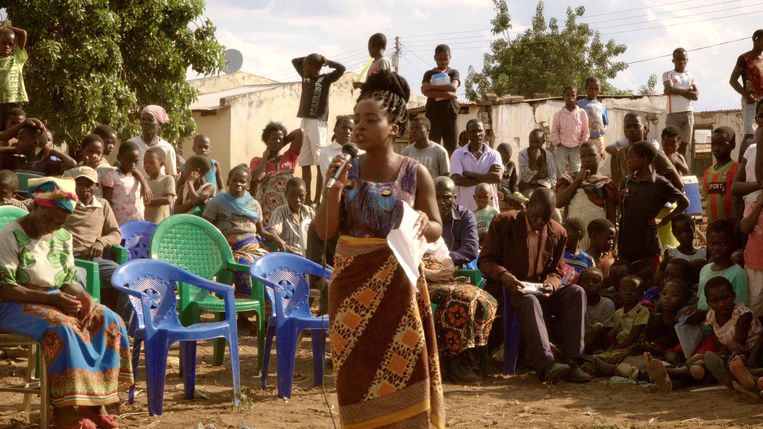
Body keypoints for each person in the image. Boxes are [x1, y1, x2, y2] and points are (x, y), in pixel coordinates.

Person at [313, 70, 445, 428]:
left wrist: (422, 221)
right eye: (357, 120)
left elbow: (436, 228)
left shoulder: (415, 173)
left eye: (371, 120)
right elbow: (324, 230)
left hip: (399, 290)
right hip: (350, 291)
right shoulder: (344, 171)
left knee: (406, 364)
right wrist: (334, 189)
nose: (359, 127)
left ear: (394, 128)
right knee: (357, 371)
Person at [0, 177, 132, 429]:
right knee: (63, 327)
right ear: (35, 207)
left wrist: (84, 296)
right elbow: (6, 287)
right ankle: (63, 410)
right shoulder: (10, 235)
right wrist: (54, 298)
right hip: (11, 303)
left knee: (107, 319)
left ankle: (95, 405)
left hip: (52, 298)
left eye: (59, 222)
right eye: (48, 219)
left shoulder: (61, 236)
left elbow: (67, 280)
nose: (52, 226)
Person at [479, 188, 592, 383]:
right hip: (507, 290)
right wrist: (505, 276)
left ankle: (574, 363)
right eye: (535, 216)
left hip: (538, 289)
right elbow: (486, 260)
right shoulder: (504, 223)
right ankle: (547, 365)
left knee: (576, 292)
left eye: (545, 218)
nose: (540, 222)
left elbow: (557, 271)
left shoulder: (558, 232)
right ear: (526, 206)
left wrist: (551, 285)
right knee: (529, 300)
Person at [648, 276, 762, 392]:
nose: (721, 304)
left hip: (747, 356)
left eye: (725, 298)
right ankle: (671, 381)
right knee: (702, 363)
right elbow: (720, 347)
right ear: (708, 302)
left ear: (733, 296)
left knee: (707, 363)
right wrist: (702, 356)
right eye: (715, 301)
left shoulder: (742, 315)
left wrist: (713, 354)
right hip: (726, 357)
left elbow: (737, 346)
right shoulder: (712, 316)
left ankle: (668, 371)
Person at [423, 237, 497, 384]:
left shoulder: (430, 231)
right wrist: (431, 275)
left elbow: (444, 256)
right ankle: (455, 359)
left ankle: (469, 355)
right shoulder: (400, 229)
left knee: (484, 298)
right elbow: (403, 263)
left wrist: (447, 269)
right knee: (461, 299)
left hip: (441, 279)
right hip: (420, 282)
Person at [62, 166, 128, 321]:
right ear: (74, 185)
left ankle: (121, 324)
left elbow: (115, 233)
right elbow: (32, 204)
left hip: (94, 259)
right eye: (80, 184)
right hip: (72, 259)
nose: (84, 189)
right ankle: (83, 326)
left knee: (127, 278)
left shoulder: (103, 205)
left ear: (96, 187)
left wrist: (102, 241)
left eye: (88, 184)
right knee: (78, 282)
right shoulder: (65, 204)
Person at [202, 165, 281, 289]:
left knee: (270, 265)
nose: (238, 184)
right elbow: (206, 228)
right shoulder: (217, 202)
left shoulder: (254, 204)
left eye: (242, 181)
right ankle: (244, 299)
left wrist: (276, 238)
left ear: (248, 185)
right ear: (228, 182)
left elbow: (261, 231)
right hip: (228, 249)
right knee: (246, 264)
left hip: (252, 246)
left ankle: (265, 302)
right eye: (234, 180)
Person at [618, 141, 688, 269]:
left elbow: (684, 203)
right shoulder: (627, 181)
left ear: (644, 158)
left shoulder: (660, 183)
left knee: (650, 281)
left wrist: (664, 220)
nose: (628, 161)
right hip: (626, 246)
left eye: (631, 157)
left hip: (648, 246)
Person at [292, 53, 346, 206]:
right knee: (305, 162)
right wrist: (311, 60)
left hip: (318, 122)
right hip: (304, 121)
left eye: (306, 66)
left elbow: (341, 69)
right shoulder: (305, 76)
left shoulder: (325, 79)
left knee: (319, 161)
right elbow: (295, 60)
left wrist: (326, 62)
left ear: (314, 68)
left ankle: (318, 199)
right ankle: (306, 198)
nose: (302, 68)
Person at [556, 140, 618, 249]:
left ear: (601, 156)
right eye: (583, 156)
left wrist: (612, 240)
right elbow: (559, 202)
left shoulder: (605, 183)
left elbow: (611, 216)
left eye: (592, 155)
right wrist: (578, 180)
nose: (587, 159)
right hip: (574, 231)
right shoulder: (570, 179)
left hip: (597, 233)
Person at [0, 120, 76, 196]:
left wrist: (51, 151)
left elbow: (72, 163)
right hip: (17, 206)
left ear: (35, 143)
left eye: (21, 139)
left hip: (35, 206)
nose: (17, 142)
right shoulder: (16, 161)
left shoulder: (48, 164)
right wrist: (15, 150)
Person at [249, 123, 302, 224]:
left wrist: (282, 143)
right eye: (273, 139)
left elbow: (300, 132)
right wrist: (265, 157)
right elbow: (257, 177)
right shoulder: (257, 161)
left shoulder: (289, 157)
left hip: (287, 206)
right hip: (267, 210)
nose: (277, 141)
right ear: (266, 141)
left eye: (280, 138)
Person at [695, 219, 748, 315]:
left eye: (722, 244)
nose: (716, 248)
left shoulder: (738, 274)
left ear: (732, 244)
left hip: (722, 327)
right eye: (712, 244)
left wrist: (702, 315)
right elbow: (701, 300)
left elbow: (739, 310)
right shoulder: (705, 269)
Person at [450, 118, 502, 212]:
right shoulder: (458, 154)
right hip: (465, 211)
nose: (477, 134)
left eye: (480, 130)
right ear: (468, 134)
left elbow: (497, 178)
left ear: (484, 132)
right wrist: (487, 177)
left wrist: (469, 174)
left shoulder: (494, 154)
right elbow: (457, 180)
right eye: (473, 131)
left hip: (489, 212)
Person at [421, 44, 460, 155]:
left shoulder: (453, 73)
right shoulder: (429, 74)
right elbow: (425, 91)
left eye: (446, 59)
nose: (443, 62)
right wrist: (449, 94)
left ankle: (450, 173)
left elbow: (453, 87)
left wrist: (432, 86)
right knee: (432, 151)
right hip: (433, 118)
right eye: (440, 59)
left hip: (451, 118)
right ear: (435, 58)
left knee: (452, 151)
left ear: (450, 58)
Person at [662, 47, 698, 162]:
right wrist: (688, 89)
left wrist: (674, 90)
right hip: (673, 114)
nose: (681, 62)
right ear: (673, 60)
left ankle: (681, 173)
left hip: (688, 113)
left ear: (687, 60)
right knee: (670, 146)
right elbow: (668, 89)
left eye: (683, 59)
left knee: (684, 146)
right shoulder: (668, 74)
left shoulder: (691, 76)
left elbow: (695, 96)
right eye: (678, 59)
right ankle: (670, 172)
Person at [435, 176, 479, 269]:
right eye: (436, 197)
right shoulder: (421, 215)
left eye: (446, 197)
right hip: (426, 269)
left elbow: (471, 247)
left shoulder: (465, 216)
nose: (440, 202)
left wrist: (445, 259)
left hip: (456, 269)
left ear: (454, 198)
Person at [729, 29, 763, 146]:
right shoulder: (744, 58)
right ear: (756, 40)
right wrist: (747, 95)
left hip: (762, 102)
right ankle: (741, 164)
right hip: (750, 101)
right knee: (749, 135)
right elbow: (733, 80)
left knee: (761, 133)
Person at [702, 126, 741, 224]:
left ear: (733, 146)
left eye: (721, 144)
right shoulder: (708, 172)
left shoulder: (738, 169)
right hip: (713, 227)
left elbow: (742, 201)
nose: (716, 148)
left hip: (732, 227)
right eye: (713, 145)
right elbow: (707, 197)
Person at [267, 177, 315, 255]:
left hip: (309, 255)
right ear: (286, 195)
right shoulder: (280, 213)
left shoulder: (309, 211)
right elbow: (272, 232)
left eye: (301, 196)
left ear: (306, 195)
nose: (297, 200)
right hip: (289, 256)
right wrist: (278, 240)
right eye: (293, 196)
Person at [128, 104, 177, 177]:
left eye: (150, 120)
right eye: (143, 119)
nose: (145, 122)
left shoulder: (167, 148)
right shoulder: (131, 144)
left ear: (159, 124)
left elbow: (172, 175)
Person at [101, 141, 144, 225]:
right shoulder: (111, 177)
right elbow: (107, 203)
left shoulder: (137, 178)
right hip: (119, 223)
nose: (133, 164)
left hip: (138, 221)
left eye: (136, 161)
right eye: (129, 160)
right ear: (119, 157)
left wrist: (145, 185)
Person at [551, 85, 589, 175]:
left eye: (573, 95)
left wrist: (582, 143)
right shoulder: (559, 114)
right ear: (563, 97)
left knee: (576, 168)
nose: (570, 97)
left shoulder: (581, 113)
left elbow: (585, 130)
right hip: (562, 146)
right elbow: (554, 130)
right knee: (560, 168)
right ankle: (561, 186)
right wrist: (557, 142)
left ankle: (575, 186)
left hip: (576, 147)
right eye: (567, 95)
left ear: (576, 97)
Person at [581, 267, 614, 354]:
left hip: (595, 346)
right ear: (580, 283)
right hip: (574, 340)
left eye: (595, 281)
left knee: (598, 327)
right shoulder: (574, 302)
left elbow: (605, 334)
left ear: (602, 285)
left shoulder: (607, 304)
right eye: (586, 280)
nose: (590, 284)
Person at [0, 25, 27, 131]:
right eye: (3, 43)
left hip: (14, 101)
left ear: (14, 46)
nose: (7, 46)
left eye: (10, 44)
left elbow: (23, 33)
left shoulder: (17, 59)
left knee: (13, 129)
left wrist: (7, 27)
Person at [518, 129, 557, 198]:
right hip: (527, 187)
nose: (534, 145)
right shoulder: (523, 154)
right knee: (531, 198)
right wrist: (533, 162)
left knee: (547, 198)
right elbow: (525, 179)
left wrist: (538, 182)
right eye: (531, 142)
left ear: (543, 142)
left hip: (544, 187)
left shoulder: (549, 156)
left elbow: (553, 179)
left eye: (537, 142)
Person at [142, 146, 175, 224]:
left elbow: (168, 199)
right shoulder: (144, 181)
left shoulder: (168, 179)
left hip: (161, 224)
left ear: (161, 163)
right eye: (145, 162)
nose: (147, 165)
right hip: (146, 223)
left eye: (151, 163)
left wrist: (147, 202)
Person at [577, 77, 608, 156]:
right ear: (586, 88)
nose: (593, 91)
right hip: (584, 138)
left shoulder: (602, 106)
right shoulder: (579, 104)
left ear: (599, 89)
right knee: (583, 158)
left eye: (596, 88)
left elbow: (606, 122)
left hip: (598, 138)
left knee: (597, 158)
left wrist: (604, 130)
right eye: (591, 88)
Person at [561, 217, 595, 286]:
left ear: (578, 234)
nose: (562, 235)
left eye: (566, 232)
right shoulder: (558, 254)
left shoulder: (588, 260)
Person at [495, 142, 522, 209]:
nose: (506, 161)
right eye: (504, 159)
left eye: (508, 158)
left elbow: (513, 183)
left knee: (520, 204)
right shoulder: (494, 164)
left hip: (508, 192)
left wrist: (516, 193)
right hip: (496, 191)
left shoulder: (511, 164)